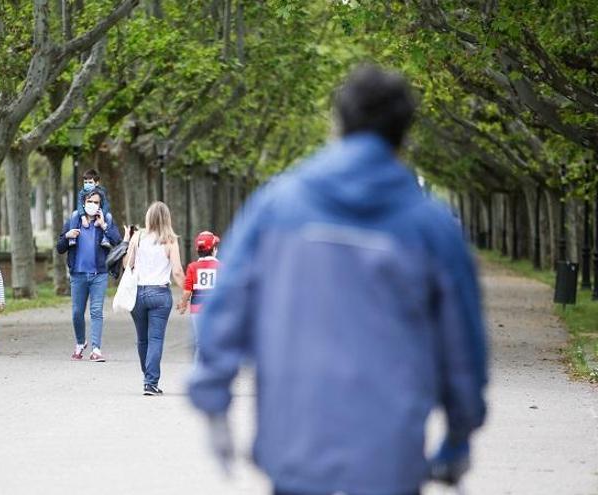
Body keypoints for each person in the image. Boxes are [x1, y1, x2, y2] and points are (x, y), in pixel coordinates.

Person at [187, 64, 488, 495]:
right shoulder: (433, 227)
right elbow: (463, 343)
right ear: (406, 136)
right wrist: (460, 432)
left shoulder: (277, 206)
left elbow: (226, 306)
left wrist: (214, 403)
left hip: (294, 440)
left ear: (337, 123)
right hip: (392, 450)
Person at [123, 201, 186, 395]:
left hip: (138, 294)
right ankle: (150, 381)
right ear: (167, 218)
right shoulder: (170, 240)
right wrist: (186, 294)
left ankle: (148, 378)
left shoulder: (138, 237)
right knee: (156, 338)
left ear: (148, 217)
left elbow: (127, 264)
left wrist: (127, 240)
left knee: (143, 339)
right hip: (159, 294)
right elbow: (176, 271)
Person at [56, 189, 122, 362]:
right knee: (77, 313)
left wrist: (105, 226)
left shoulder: (104, 220)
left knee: (96, 311)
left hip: (98, 274)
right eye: (89, 201)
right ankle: (80, 343)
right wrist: (67, 236)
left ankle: (96, 349)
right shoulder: (74, 220)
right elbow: (60, 247)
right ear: (83, 202)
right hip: (78, 275)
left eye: (96, 202)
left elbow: (118, 241)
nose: (92, 205)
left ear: (101, 205)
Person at [177, 231, 220, 361]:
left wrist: (183, 304)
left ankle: (199, 370)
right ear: (213, 250)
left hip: (197, 309)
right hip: (216, 308)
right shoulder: (220, 266)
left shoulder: (192, 267)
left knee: (200, 342)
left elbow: (187, 291)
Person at [69, 169, 112, 248]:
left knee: (109, 216)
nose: (87, 184)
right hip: (85, 213)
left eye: (90, 182)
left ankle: (106, 239)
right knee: (74, 214)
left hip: (98, 212)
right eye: (85, 182)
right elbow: (79, 204)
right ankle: (72, 238)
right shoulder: (82, 192)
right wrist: (83, 217)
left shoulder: (101, 192)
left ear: (96, 183)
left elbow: (106, 205)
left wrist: (102, 215)